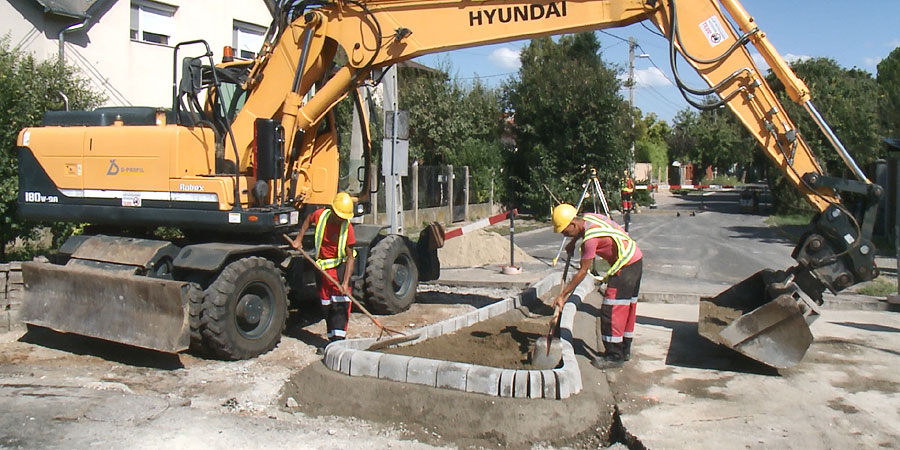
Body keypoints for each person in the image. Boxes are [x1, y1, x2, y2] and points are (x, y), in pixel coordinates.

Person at [550, 203, 643, 369]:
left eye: (566, 232)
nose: (565, 235)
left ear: (572, 224)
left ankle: (614, 356)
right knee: (626, 307)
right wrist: (573, 242)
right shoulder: (589, 217)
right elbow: (583, 230)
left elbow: (582, 272)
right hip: (635, 258)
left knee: (611, 310)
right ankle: (624, 349)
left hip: (625, 266)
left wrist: (562, 295)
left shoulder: (590, 241)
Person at [291, 192, 357, 345]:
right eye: (339, 216)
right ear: (332, 210)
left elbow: (350, 258)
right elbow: (308, 219)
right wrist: (299, 239)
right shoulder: (320, 215)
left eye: (344, 217)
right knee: (326, 305)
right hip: (321, 271)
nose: (341, 220)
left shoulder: (348, 229)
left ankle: (339, 343)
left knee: (340, 306)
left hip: (339, 270)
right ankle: (331, 340)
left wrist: (345, 282)